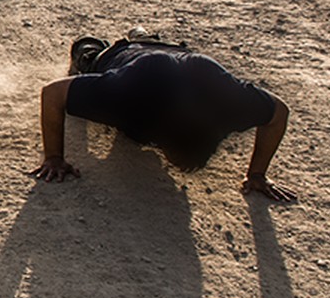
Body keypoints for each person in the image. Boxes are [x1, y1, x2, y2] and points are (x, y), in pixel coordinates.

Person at [30, 30, 297, 201]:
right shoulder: (128, 93)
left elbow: (278, 113)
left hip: (182, 57)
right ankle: (107, 43)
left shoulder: (228, 104)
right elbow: (53, 94)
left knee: (154, 54)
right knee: (89, 54)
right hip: (125, 60)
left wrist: (257, 174)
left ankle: (144, 37)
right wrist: (54, 158)